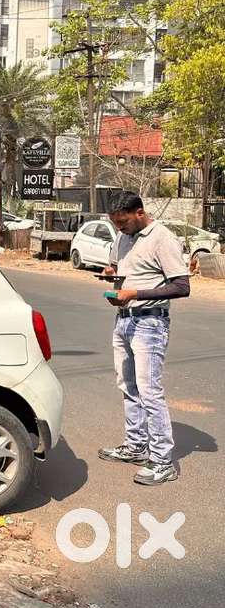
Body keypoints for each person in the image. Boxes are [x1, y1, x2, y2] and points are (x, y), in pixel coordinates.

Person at [98, 192, 190, 485]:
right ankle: (135, 446)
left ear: (139, 213)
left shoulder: (162, 238)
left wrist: (135, 293)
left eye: (123, 223)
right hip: (124, 320)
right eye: (116, 224)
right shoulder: (123, 237)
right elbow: (121, 268)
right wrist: (112, 274)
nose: (120, 229)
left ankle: (163, 461)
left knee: (150, 391)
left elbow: (181, 286)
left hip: (150, 323)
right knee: (128, 386)